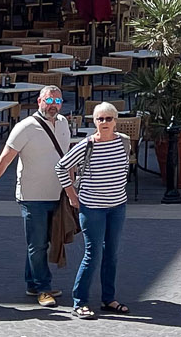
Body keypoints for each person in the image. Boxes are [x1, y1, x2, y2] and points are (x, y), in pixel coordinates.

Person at [0, 86, 74, 306]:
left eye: (57, 100)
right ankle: (43, 288)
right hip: (33, 197)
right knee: (38, 244)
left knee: (41, 242)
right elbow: (4, 160)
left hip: (57, 194)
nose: (53, 104)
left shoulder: (63, 123)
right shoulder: (25, 127)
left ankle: (32, 283)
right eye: (49, 99)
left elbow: (67, 158)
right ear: (39, 100)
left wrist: (72, 190)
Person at [56, 102, 132, 319]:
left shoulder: (124, 143)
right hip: (92, 209)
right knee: (93, 253)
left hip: (117, 206)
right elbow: (61, 167)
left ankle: (109, 298)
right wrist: (72, 196)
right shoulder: (87, 145)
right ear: (94, 121)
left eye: (109, 118)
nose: (105, 123)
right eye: (100, 119)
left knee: (112, 253)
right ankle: (79, 301)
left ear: (116, 121)